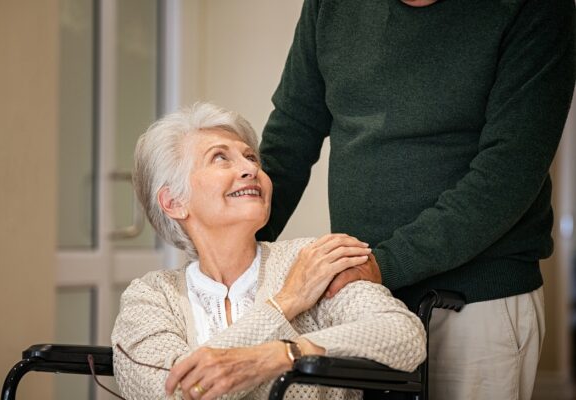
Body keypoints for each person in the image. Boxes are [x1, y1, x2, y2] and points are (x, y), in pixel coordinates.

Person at [255, 0, 575, 399]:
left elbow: (508, 173)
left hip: (477, 303)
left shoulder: (536, 8)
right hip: (364, 300)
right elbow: (291, 135)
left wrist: (382, 265)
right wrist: (241, 248)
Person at [111, 103, 426, 400]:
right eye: (220, 158)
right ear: (174, 202)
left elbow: (405, 337)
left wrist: (286, 353)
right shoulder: (151, 296)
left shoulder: (311, 260)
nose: (249, 168)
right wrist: (285, 303)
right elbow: (173, 393)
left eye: (251, 157)